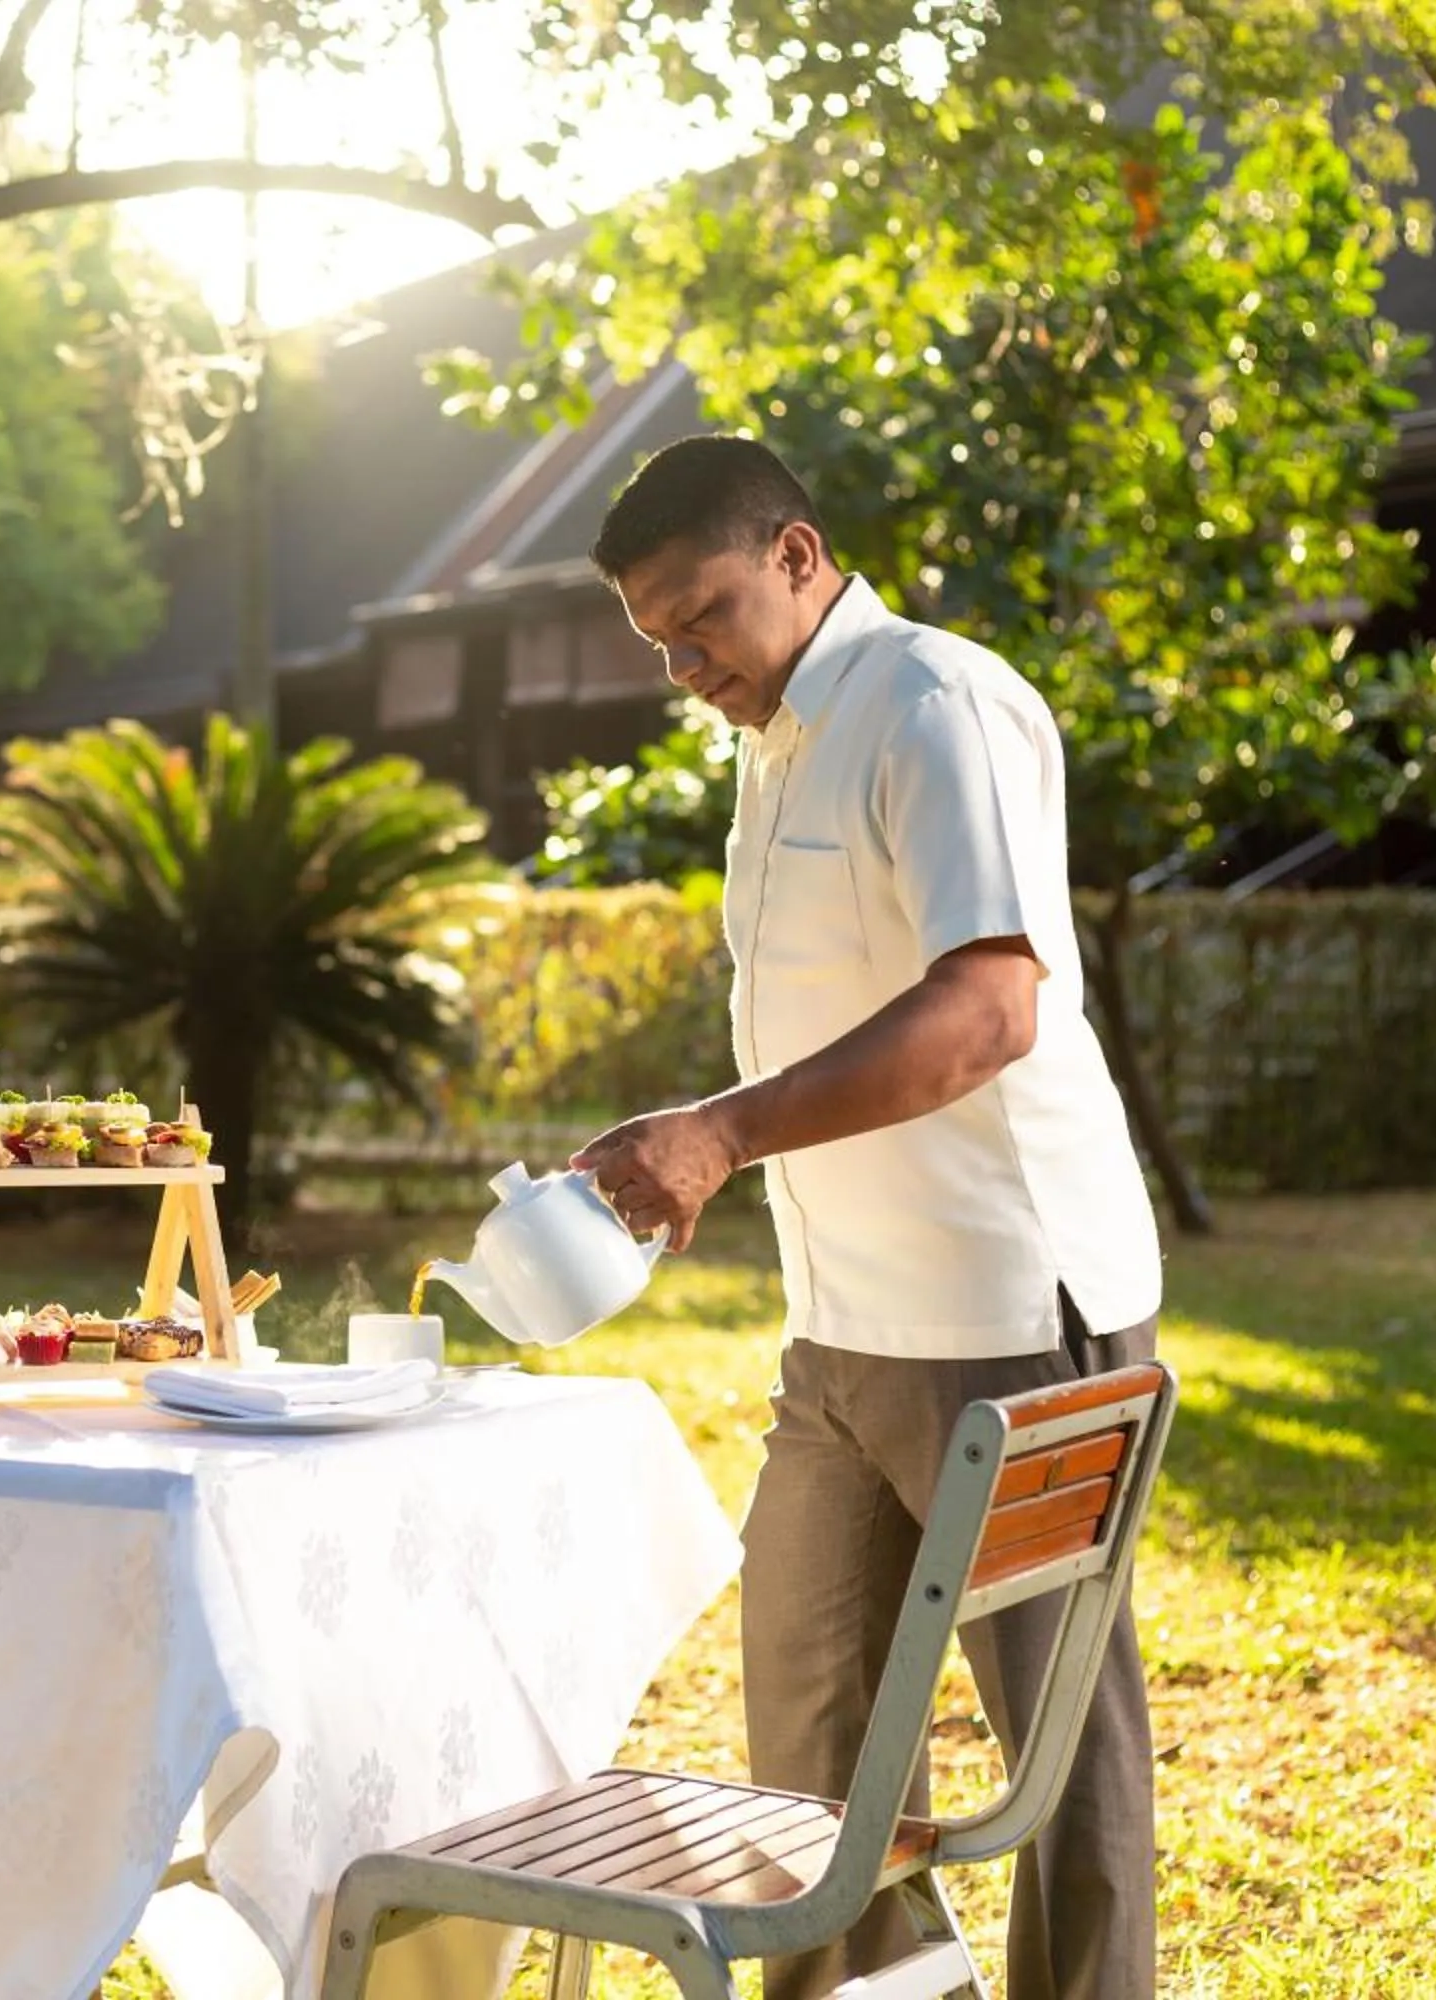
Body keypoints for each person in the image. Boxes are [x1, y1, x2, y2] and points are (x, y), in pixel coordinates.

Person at [571, 434, 1164, 2000]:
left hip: (1010, 1321)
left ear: (795, 554)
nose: (688, 664)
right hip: (839, 1332)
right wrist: (705, 1140)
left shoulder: (931, 703)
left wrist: (722, 1134)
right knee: (812, 1754)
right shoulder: (774, 748)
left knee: (1061, 1761)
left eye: (702, 617)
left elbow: (985, 1011)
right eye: (658, 643)